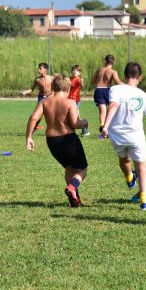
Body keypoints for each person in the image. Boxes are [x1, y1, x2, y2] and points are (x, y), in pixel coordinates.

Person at [101, 62, 146, 211]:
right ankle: (145, 202)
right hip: (135, 136)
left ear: (124, 75)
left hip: (117, 136)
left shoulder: (115, 88)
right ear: (140, 77)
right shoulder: (143, 95)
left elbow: (113, 105)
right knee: (142, 168)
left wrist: (105, 126)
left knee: (123, 159)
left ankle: (129, 177)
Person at [26, 75, 89, 207]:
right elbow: (75, 123)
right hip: (68, 139)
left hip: (52, 142)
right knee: (82, 169)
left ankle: (74, 199)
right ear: (68, 88)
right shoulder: (70, 102)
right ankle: (72, 187)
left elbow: (33, 118)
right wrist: (85, 122)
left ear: (53, 87)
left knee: (69, 168)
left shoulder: (44, 102)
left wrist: (29, 137)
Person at [91, 54, 122, 137]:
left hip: (98, 90)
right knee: (111, 110)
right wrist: (127, 86)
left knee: (103, 111)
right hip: (107, 90)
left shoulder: (99, 70)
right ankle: (108, 129)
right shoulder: (113, 72)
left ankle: (102, 124)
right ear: (113, 62)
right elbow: (118, 82)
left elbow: (92, 81)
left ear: (105, 61)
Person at [21, 62, 53, 133]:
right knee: (38, 116)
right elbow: (32, 89)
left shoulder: (51, 78)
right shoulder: (37, 79)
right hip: (41, 98)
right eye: (38, 68)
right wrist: (25, 92)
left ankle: (53, 130)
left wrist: (53, 94)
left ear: (45, 69)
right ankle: (33, 129)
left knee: (51, 115)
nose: (38, 70)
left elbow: (56, 88)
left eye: (40, 68)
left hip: (50, 98)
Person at [68, 64, 89, 136]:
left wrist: (82, 82)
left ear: (79, 72)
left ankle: (85, 130)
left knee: (76, 115)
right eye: (73, 70)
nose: (75, 72)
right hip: (69, 99)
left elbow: (81, 85)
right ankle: (83, 130)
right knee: (72, 115)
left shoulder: (78, 79)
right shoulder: (69, 78)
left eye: (76, 71)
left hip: (75, 100)